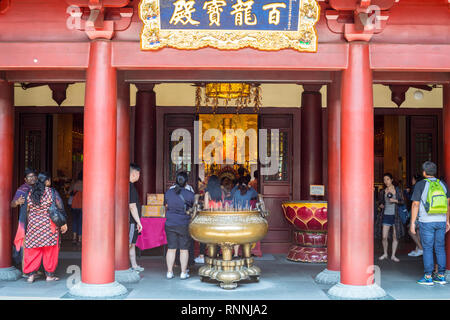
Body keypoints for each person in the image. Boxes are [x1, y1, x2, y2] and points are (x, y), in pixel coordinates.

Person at [19, 172, 68, 283]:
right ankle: (49, 275)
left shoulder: (29, 192)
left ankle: (31, 275)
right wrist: (63, 222)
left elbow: (26, 210)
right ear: (46, 181)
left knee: (32, 250)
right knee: (50, 250)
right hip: (49, 226)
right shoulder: (51, 192)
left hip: (33, 226)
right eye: (49, 180)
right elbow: (60, 207)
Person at [410, 161, 450, 285]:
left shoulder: (421, 184)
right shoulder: (443, 184)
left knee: (427, 248)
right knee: (440, 247)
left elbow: (415, 204)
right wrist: (447, 220)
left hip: (426, 221)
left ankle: (428, 277)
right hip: (441, 221)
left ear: (424, 172)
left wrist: (412, 223)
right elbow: (448, 204)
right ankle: (441, 276)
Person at [164, 171, 195, 279]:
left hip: (170, 223)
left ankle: (169, 272)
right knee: (183, 249)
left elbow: (166, 205)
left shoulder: (168, 193)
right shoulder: (190, 194)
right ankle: (183, 273)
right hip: (183, 223)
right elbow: (191, 207)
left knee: (171, 248)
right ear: (186, 182)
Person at [375, 173, 405, 262]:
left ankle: (393, 255)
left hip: (395, 216)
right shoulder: (382, 191)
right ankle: (385, 253)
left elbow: (403, 201)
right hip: (386, 216)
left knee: (395, 237)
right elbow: (380, 202)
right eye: (384, 180)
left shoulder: (397, 190)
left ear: (391, 180)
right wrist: (380, 205)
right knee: (384, 237)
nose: (386, 181)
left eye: (387, 179)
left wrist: (395, 200)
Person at [194, 175, 224, 264]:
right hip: (218, 218)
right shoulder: (221, 192)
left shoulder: (207, 193)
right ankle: (216, 254)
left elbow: (206, 207)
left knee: (204, 236)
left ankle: (202, 256)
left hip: (209, 218)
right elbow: (222, 206)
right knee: (217, 237)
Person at [129, 163, 144, 272]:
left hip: (131, 221)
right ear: (134, 173)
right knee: (129, 244)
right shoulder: (130, 187)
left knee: (132, 243)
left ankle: (134, 265)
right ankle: (124, 266)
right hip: (130, 221)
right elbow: (132, 206)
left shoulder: (130, 186)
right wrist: (139, 222)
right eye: (139, 173)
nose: (139, 175)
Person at [405, 174, 424, 257]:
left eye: (413, 179)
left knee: (410, 230)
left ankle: (420, 248)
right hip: (422, 212)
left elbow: (413, 200)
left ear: (416, 180)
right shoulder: (423, 187)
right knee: (418, 232)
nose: (412, 181)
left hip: (417, 212)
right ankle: (418, 250)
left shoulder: (417, 187)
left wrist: (406, 193)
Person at [69, 171, 83, 246]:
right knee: (80, 222)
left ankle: (74, 238)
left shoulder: (74, 183)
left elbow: (69, 192)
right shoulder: (86, 184)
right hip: (82, 205)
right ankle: (80, 239)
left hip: (74, 205)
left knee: (75, 221)